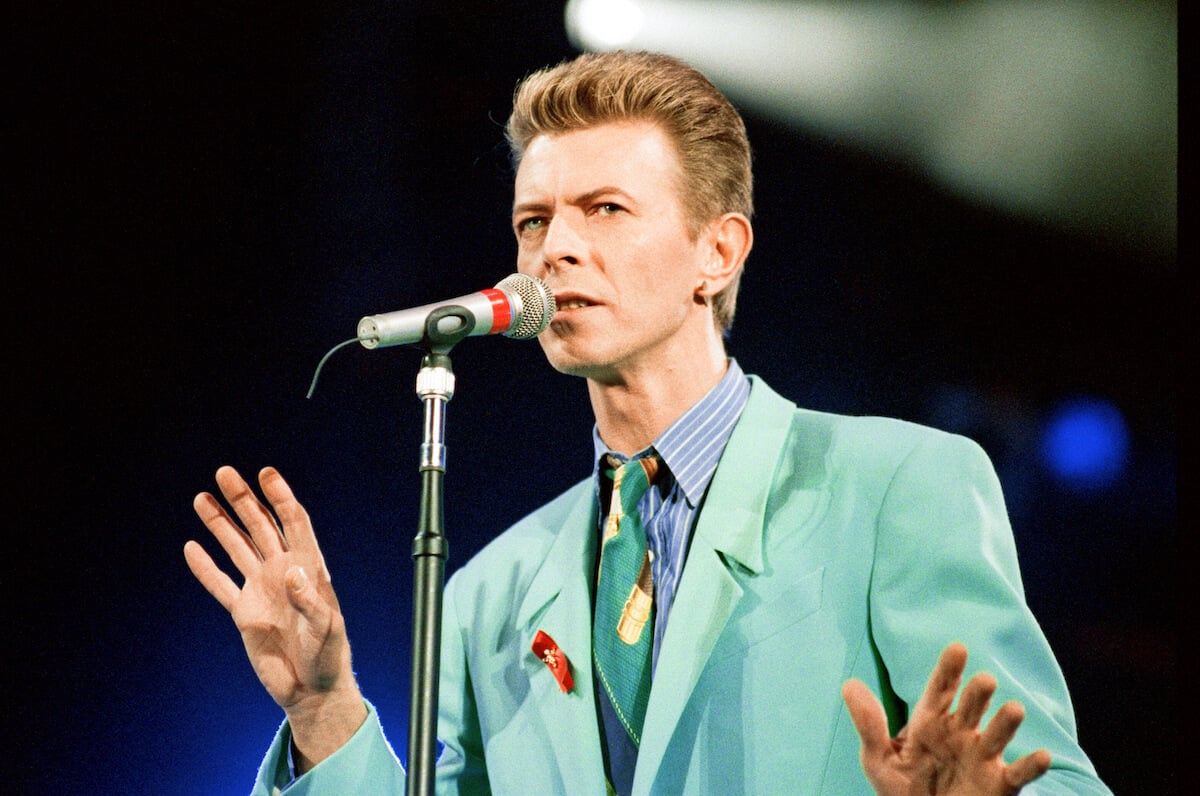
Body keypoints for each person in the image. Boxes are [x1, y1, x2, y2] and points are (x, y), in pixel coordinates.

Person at [184, 50, 1110, 794]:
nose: (556, 249)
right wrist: (322, 707)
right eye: (533, 221)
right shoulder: (488, 596)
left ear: (718, 249)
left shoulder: (900, 485)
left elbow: (1048, 778)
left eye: (606, 209)